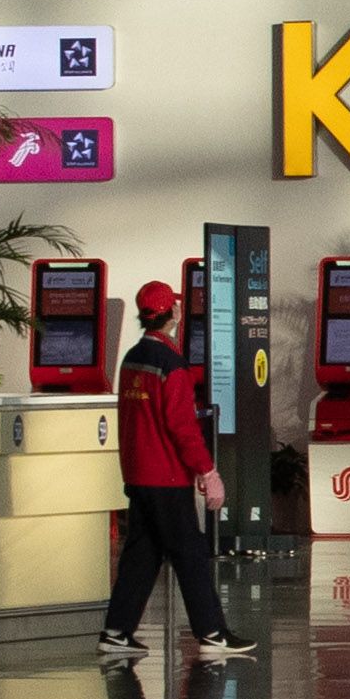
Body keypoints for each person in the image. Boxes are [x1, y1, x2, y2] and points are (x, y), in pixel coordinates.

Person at [96, 277, 253, 663]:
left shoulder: (132, 359)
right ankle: (212, 632)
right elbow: (182, 426)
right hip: (166, 478)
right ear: (174, 314)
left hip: (137, 475)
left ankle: (117, 632)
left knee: (141, 554)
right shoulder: (173, 366)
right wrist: (208, 472)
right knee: (190, 554)